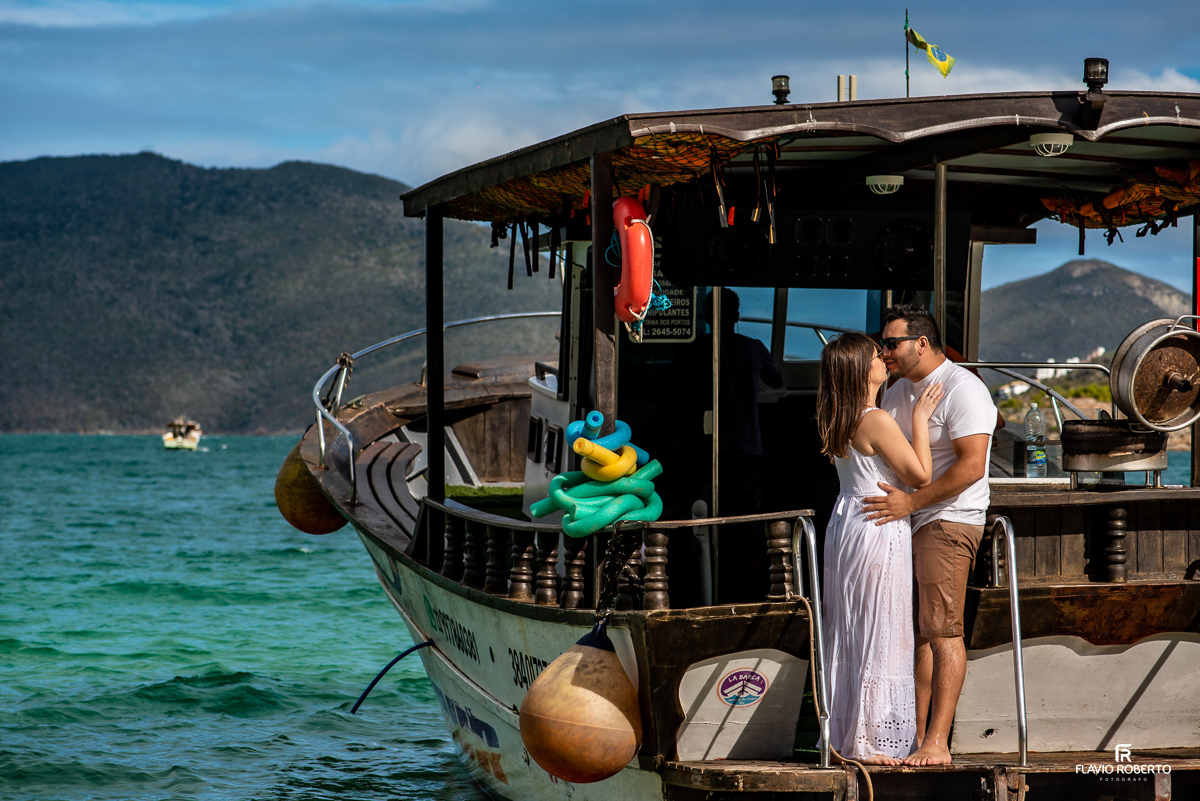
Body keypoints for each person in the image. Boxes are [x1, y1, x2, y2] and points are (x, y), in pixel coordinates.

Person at [863, 305, 999, 767]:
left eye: (892, 343)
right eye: (882, 344)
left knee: (943, 632)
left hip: (948, 519)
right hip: (906, 525)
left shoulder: (965, 389)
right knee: (917, 635)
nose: (885, 351)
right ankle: (913, 738)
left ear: (921, 342)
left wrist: (910, 504)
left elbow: (971, 466)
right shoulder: (897, 392)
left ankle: (937, 742)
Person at [816, 331, 944, 764]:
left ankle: (845, 732)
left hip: (847, 523)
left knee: (851, 627)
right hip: (878, 526)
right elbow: (921, 475)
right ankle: (870, 740)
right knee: (881, 626)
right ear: (860, 368)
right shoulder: (876, 419)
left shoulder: (839, 415)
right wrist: (921, 418)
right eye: (876, 354)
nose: (884, 357)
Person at [703, 288, 783, 601]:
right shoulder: (753, 348)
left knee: (709, 520)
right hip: (748, 449)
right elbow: (776, 380)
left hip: (707, 448)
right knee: (749, 526)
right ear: (736, 316)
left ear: (705, 316)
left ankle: (713, 589)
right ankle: (750, 593)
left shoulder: (697, 348)